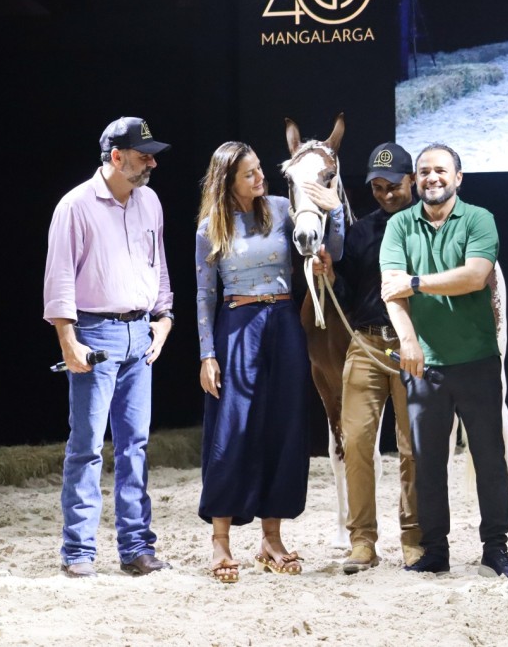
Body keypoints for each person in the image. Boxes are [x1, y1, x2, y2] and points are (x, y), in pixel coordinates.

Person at [195, 141, 343, 582]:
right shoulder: (209, 227)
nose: (260, 178)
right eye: (250, 174)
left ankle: (271, 539)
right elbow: (204, 295)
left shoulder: (281, 208)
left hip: (283, 322)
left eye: (260, 169)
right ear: (228, 181)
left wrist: (333, 213)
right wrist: (207, 353)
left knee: (285, 428)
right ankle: (221, 541)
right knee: (231, 430)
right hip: (237, 325)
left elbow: (331, 248)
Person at [379, 144, 508, 578]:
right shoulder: (399, 225)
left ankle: (495, 548)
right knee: (427, 463)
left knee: (489, 459)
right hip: (425, 365)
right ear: (414, 180)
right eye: (424, 171)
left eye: (441, 170)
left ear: (458, 177)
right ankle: (435, 550)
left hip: (477, 358)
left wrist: (416, 282)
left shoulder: (479, 219)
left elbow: (474, 276)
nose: (432, 177)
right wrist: (408, 342)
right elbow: (391, 290)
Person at [43, 116, 174, 578]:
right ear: (116, 157)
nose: (152, 163)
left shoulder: (149, 202)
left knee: (135, 444)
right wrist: (68, 339)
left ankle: (136, 548)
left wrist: (165, 318)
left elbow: (157, 263)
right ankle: (78, 551)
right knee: (87, 446)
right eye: (143, 156)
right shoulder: (75, 206)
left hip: (140, 332)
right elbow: (59, 277)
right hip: (95, 333)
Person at [313, 142, 424, 573]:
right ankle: (362, 541)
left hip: (413, 347)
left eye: (392, 186)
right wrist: (331, 275)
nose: (385, 194)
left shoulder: (428, 227)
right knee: (356, 441)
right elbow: (347, 296)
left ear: (411, 180)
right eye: (377, 188)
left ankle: (414, 539)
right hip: (367, 342)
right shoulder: (360, 234)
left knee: (413, 446)